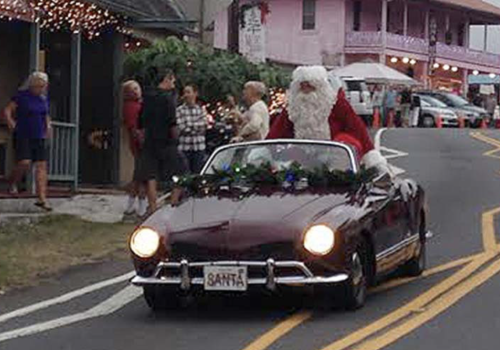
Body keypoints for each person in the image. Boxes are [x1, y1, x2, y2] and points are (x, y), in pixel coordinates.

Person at [267, 65, 388, 172]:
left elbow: (357, 129)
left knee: (344, 142)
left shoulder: (336, 103)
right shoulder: (293, 106)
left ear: (319, 87)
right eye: (302, 87)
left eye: (310, 87)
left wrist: (372, 157)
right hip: (301, 156)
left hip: (334, 158)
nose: (305, 91)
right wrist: (263, 152)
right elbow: (277, 132)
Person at [137, 69, 184, 214]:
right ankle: (173, 205)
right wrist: (176, 139)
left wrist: (143, 138)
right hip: (166, 141)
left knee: (151, 175)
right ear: (166, 79)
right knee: (181, 171)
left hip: (150, 140)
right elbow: (172, 123)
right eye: (173, 80)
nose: (174, 83)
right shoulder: (167, 99)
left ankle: (152, 207)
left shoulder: (148, 97)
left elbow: (141, 121)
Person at [4, 72, 53, 211]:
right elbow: (7, 110)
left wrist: (48, 126)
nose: (41, 88)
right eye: (38, 85)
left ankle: (42, 199)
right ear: (32, 84)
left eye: (43, 86)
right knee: (24, 162)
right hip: (23, 133)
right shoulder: (21, 96)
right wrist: (10, 123)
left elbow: (45, 114)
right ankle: (13, 183)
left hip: (39, 135)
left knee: (41, 166)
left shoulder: (44, 99)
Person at [122, 80, 147, 217]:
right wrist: (142, 141)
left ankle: (131, 206)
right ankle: (141, 207)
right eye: (135, 88)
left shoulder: (137, 104)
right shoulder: (131, 106)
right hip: (139, 144)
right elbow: (133, 128)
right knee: (142, 175)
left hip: (138, 143)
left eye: (138, 87)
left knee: (138, 176)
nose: (138, 90)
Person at [176, 84, 208, 173]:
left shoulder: (201, 110)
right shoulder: (179, 110)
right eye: (184, 92)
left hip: (199, 148)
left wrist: (189, 125)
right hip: (185, 148)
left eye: (188, 92)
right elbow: (181, 128)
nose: (186, 95)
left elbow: (204, 126)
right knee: (185, 175)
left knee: (198, 175)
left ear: (195, 94)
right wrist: (197, 126)